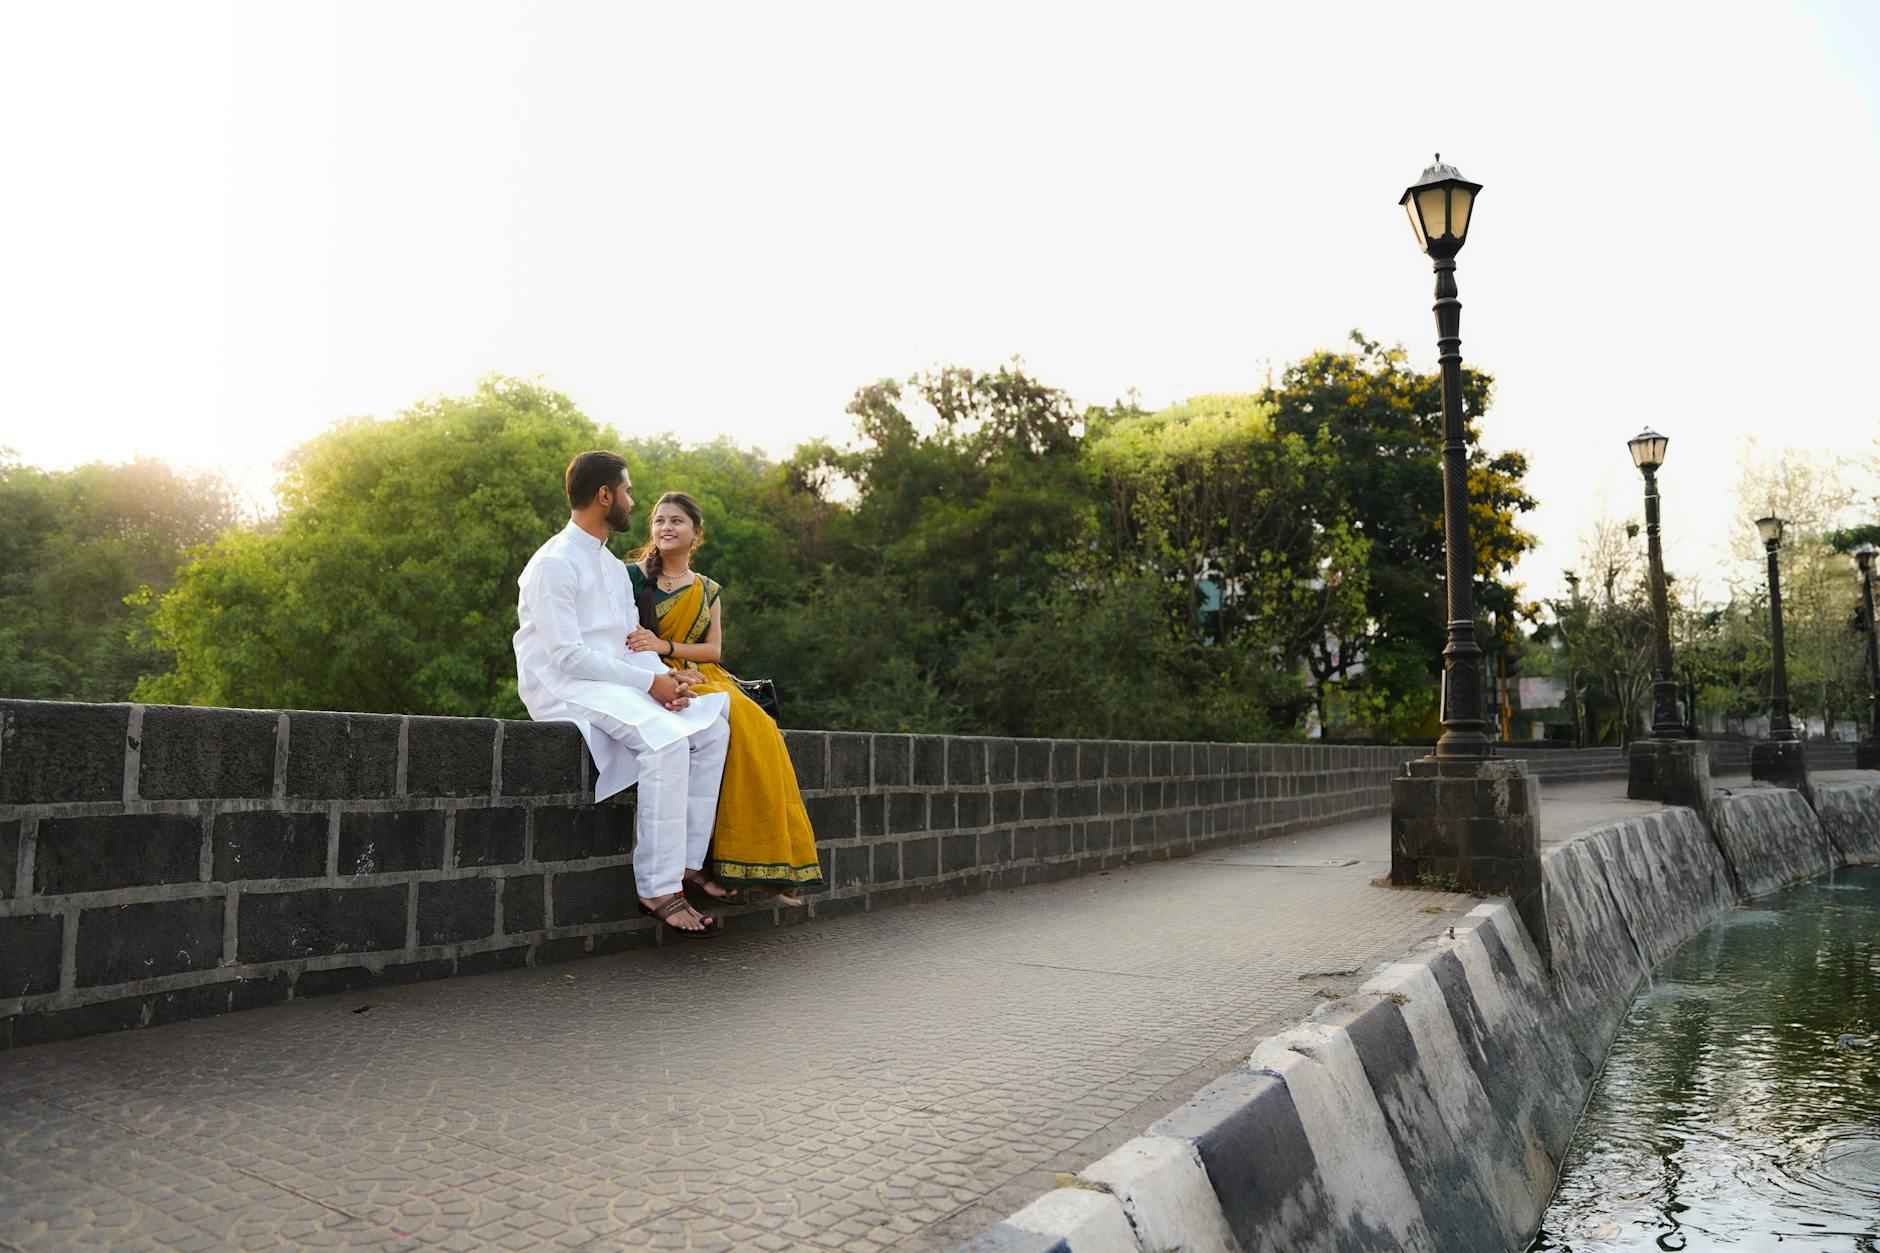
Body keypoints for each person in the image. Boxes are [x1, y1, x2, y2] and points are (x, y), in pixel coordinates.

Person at [513, 453, 732, 937]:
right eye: (628, 491)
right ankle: (656, 886)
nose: (634, 501)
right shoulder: (553, 564)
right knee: (666, 741)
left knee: (712, 727)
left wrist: (665, 680)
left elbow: (629, 641)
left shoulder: (612, 567)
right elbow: (567, 657)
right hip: (564, 686)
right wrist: (648, 684)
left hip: (617, 682)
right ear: (605, 495)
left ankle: (687, 863)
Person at [625, 492, 823, 905]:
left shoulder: (707, 589)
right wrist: (661, 659)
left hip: (702, 674)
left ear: (696, 533)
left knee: (762, 730)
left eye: (677, 521)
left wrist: (667, 645)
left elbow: (714, 651)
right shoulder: (632, 578)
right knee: (738, 728)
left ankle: (772, 861)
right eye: (659, 520)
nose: (665, 527)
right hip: (650, 676)